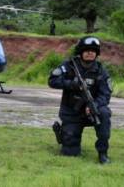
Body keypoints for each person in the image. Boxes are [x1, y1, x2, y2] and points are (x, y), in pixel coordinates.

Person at [48, 36, 112, 164]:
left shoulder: (101, 71)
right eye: (87, 50)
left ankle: (103, 153)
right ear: (81, 52)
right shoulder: (69, 66)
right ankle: (64, 135)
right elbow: (52, 81)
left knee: (104, 113)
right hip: (72, 112)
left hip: (92, 112)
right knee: (70, 153)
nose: (90, 53)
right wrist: (71, 84)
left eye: (93, 51)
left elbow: (105, 94)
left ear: (97, 53)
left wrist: (95, 104)